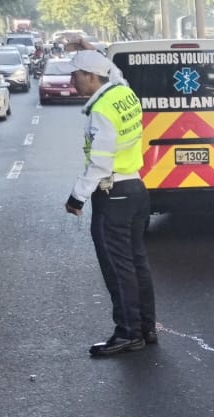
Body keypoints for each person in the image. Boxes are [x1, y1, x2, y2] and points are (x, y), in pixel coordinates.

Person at [63, 50, 157, 357]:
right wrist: (88, 48)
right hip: (136, 190)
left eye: (76, 74)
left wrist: (77, 195)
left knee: (118, 268)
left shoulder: (103, 109)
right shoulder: (124, 93)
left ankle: (128, 333)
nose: (72, 80)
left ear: (92, 77)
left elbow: (101, 162)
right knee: (136, 263)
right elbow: (114, 73)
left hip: (113, 194)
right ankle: (145, 328)